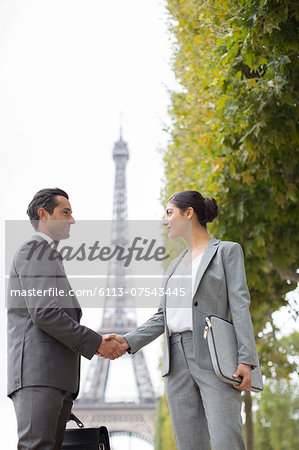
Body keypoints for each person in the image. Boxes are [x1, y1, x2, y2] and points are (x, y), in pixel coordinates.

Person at [104, 190, 259, 450]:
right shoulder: (174, 267)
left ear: (189, 214)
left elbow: (240, 306)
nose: (165, 220)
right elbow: (162, 317)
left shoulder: (226, 252)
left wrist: (246, 359)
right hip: (176, 361)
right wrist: (127, 340)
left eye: (169, 213)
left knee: (226, 440)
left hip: (214, 354)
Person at [7, 188, 126, 450]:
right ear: (43, 215)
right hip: (40, 375)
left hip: (54, 378)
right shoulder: (34, 250)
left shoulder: (48, 256)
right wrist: (97, 343)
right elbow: (46, 313)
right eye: (65, 212)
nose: (72, 220)